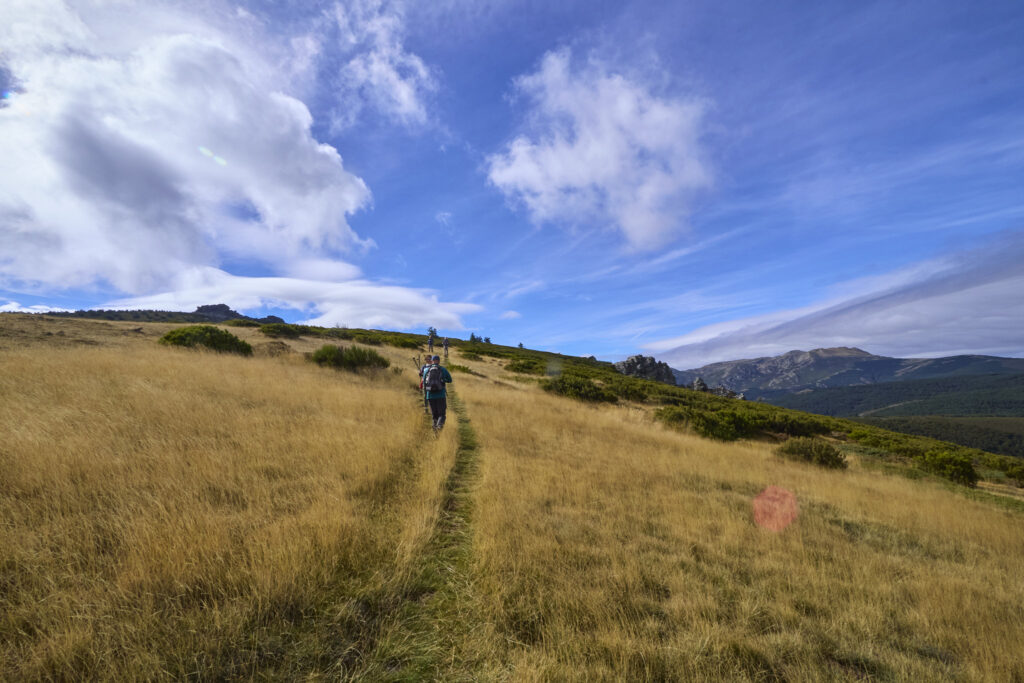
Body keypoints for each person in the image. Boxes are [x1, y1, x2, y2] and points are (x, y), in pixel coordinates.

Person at [422, 355, 453, 431]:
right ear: (439, 361)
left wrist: (426, 394)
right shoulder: (443, 369)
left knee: (434, 415)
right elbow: (450, 380)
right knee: (441, 414)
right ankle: (439, 426)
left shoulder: (426, 370)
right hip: (440, 395)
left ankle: (435, 430)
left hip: (430, 396)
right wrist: (443, 380)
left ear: (432, 361)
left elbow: (424, 383)